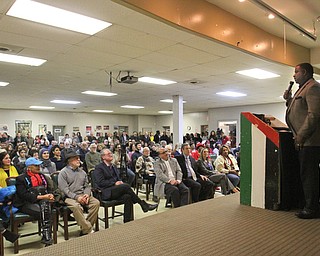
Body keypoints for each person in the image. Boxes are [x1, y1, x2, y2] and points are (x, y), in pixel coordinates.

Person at [283, 63, 320, 219]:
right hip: (305, 141)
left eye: (296, 72)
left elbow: (313, 115)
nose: (294, 75)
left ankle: (312, 208)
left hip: (310, 141)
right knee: (306, 174)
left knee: (309, 175)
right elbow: (298, 109)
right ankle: (308, 204)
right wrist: (289, 99)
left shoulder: (313, 87)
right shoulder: (303, 88)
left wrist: (300, 136)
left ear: (304, 72)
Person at [94, 149, 158, 223]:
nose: (111, 154)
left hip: (115, 190)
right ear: (103, 157)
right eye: (108, 154)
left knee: (128, 196)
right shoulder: (99, 168)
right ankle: (143, 204)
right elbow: (100, 182)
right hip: (106, 192)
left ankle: (128, 221)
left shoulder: (113, 166)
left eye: (111, 153)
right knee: (126, 186)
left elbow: (118, 178)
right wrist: (114, 183)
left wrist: (119, 182)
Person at [14, 157, 55, 245]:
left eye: (39, 165)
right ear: (29, 167)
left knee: (45, 206)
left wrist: (50, 195)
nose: (38, 167)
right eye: (36, 165)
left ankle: (47, 236)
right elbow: (24, 195)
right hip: (26, 203)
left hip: (43, 200)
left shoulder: (42, 176)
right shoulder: (21, 179)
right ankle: (47, 235)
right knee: (45, 210)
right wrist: (42, 196)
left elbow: (49, 188)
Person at [58, 150, 100, 236]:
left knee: (96, 203)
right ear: (69, 161)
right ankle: (88, 229)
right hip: (69, 197)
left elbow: (87, 186)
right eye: (76, 159)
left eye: (79, 158)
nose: (79, 160)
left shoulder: (82, 172)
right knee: (76, 206)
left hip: (82, 194)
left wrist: (86, 195)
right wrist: (77, 197)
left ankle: (85, 229)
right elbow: (64, 189)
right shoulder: (63, 173)